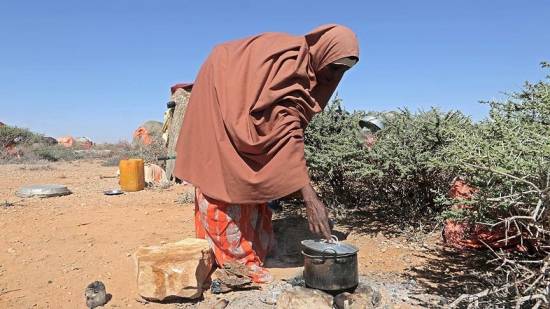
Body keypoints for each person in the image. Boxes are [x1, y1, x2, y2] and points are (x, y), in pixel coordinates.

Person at [174, 24, 359, 283]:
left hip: (239, 101)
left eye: (343, 70)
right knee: (222, 170)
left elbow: (283, 128)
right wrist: (310, 197)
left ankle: (254, 248)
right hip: (220, 90)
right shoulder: (291, 63)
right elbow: (286, 127)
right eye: (334, 66)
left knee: (255, 169)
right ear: (323, 52)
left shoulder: (309, 69)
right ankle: (236, 263)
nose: (335, 75)